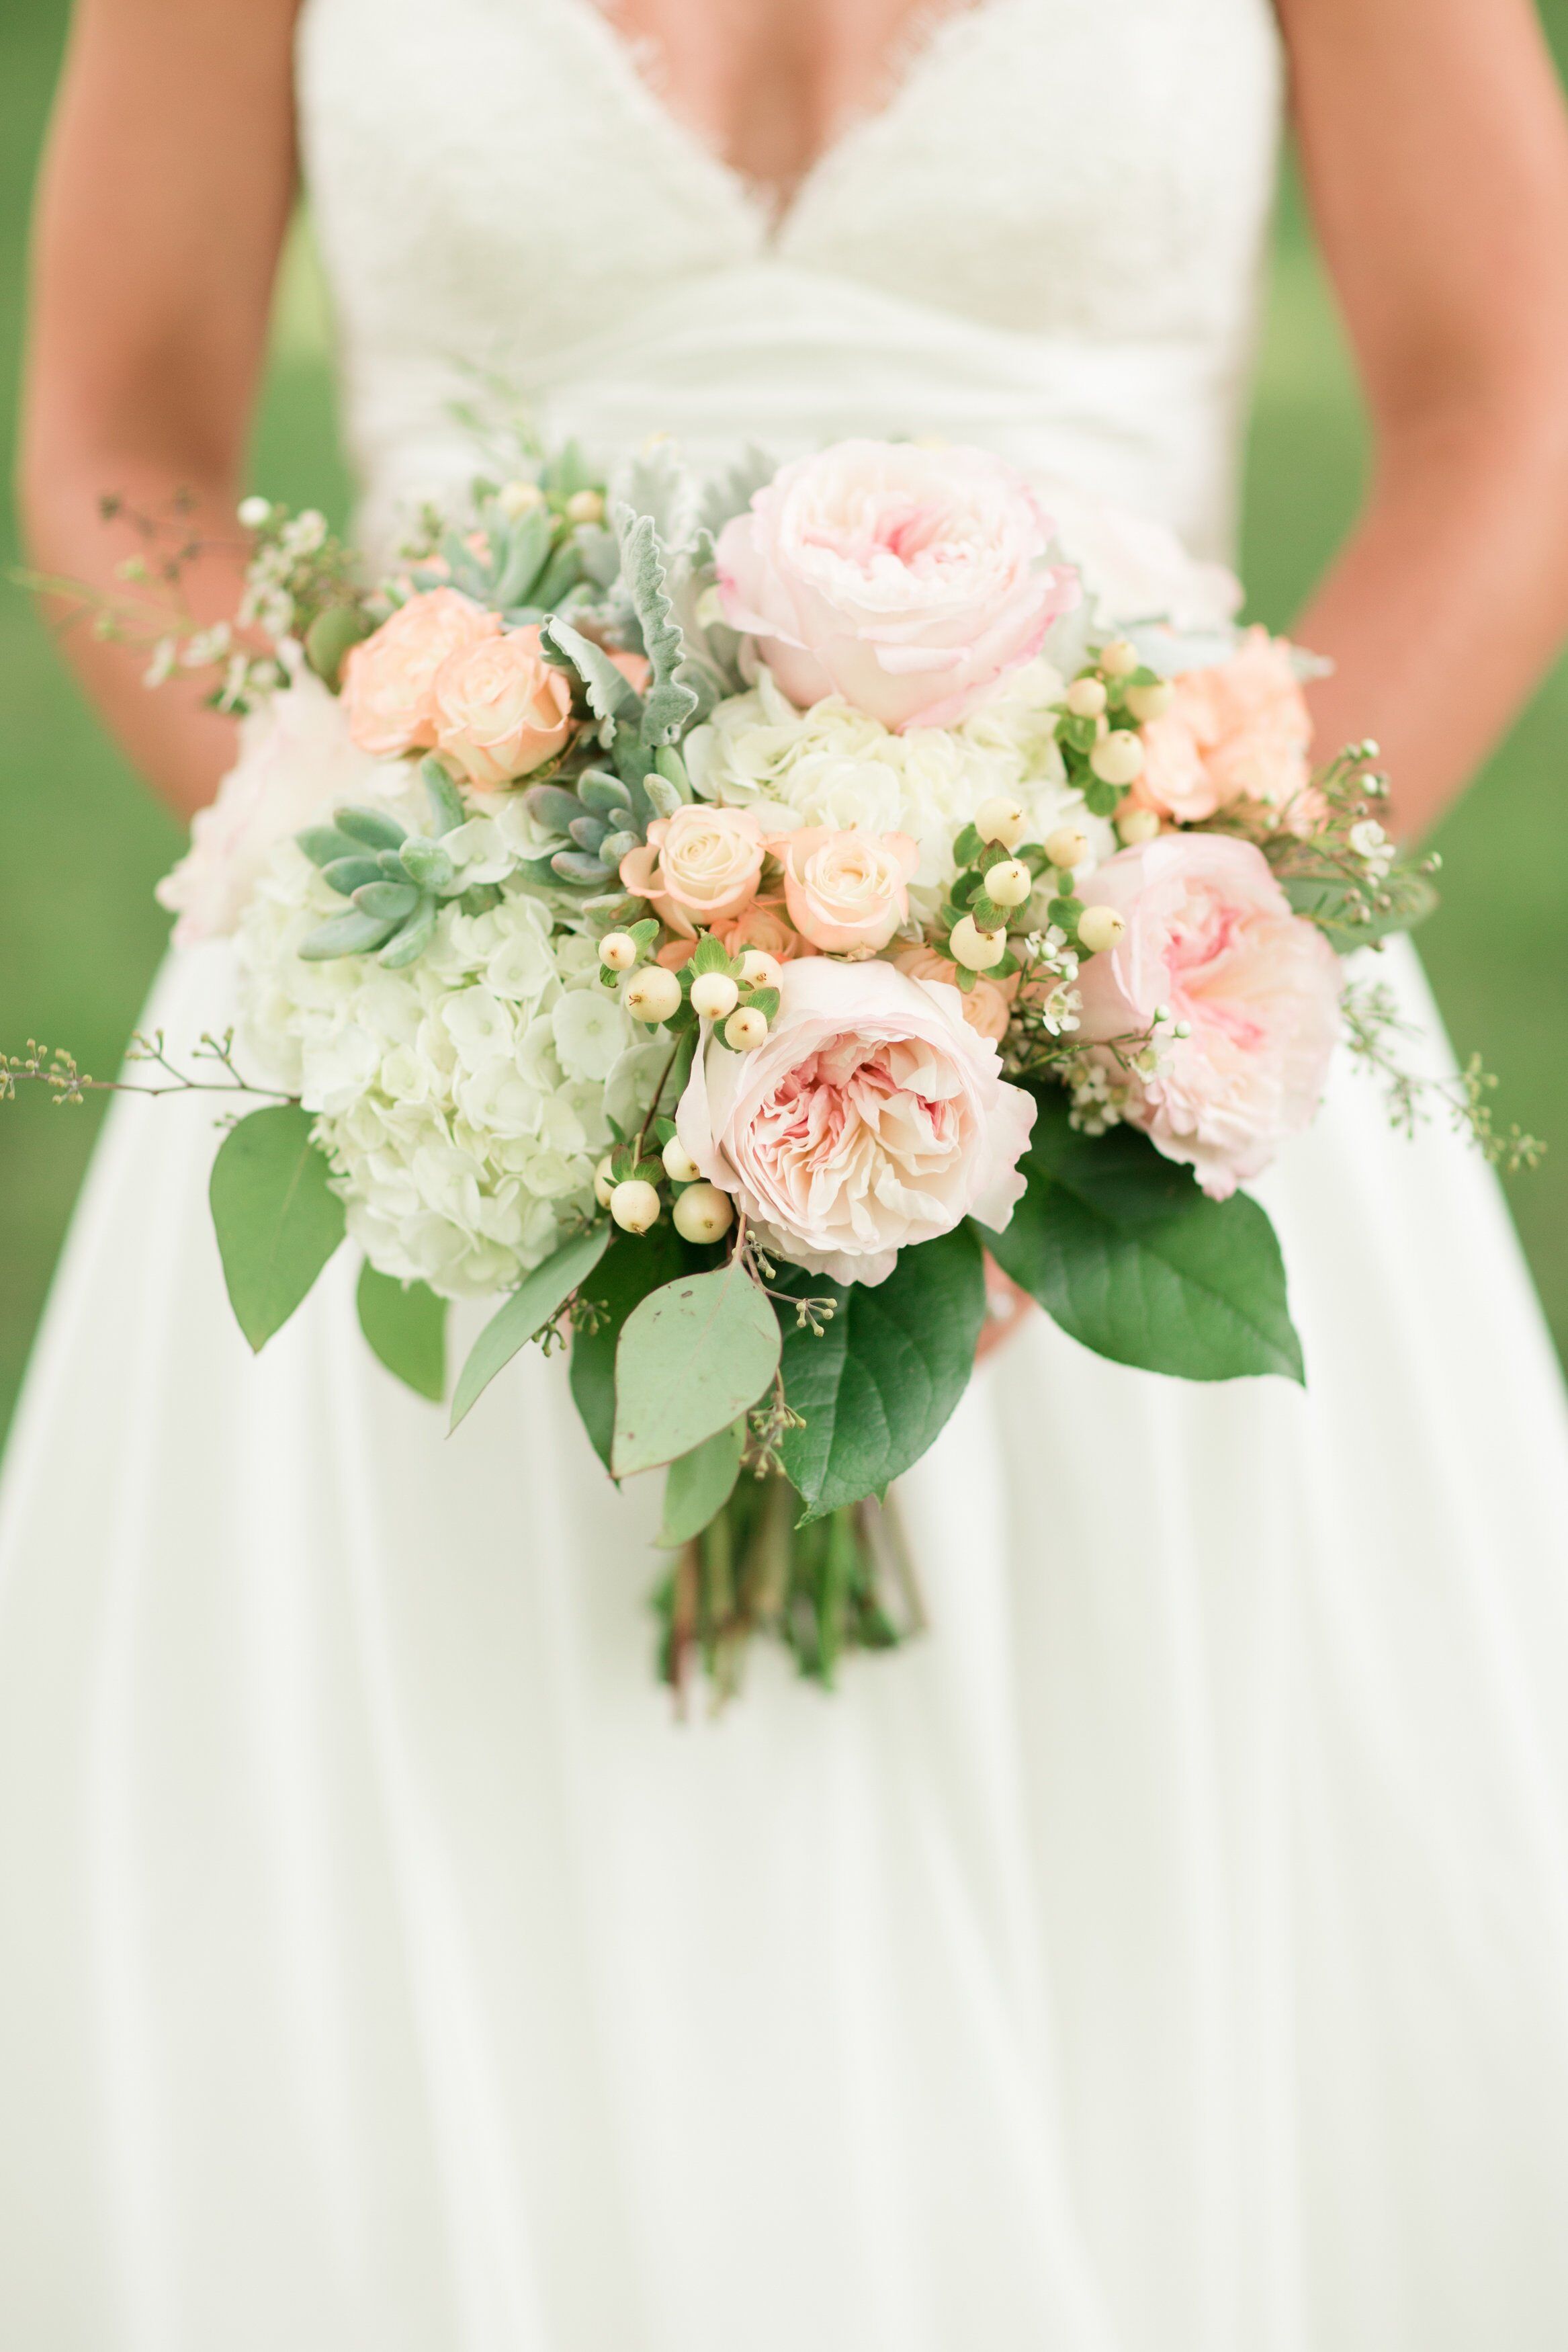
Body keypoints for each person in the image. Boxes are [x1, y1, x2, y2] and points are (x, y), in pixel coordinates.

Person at [6, 0, 1568, 2343]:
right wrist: (435, 896)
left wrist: (1136, 963)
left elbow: (1508, 400)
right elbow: (119, 425)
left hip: (1141, 1035)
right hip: (426, 1111)